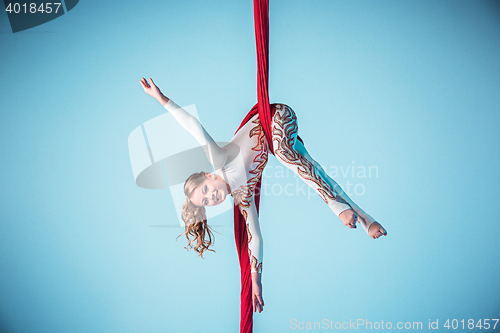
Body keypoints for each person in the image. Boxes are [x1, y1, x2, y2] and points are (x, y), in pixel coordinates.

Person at [139, 77, 387, 314]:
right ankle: (366, 220)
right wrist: (256, 281)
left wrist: (161, 98)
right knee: (314, 170)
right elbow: (254, 237)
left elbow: (193, 126)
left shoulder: (220, 160)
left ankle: (337, 208)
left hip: (277, 117)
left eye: (205, 190)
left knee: (289, 159)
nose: (210, 197)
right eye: (205, 201)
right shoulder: (243, 198)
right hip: (279, 144)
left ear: (208, 175)